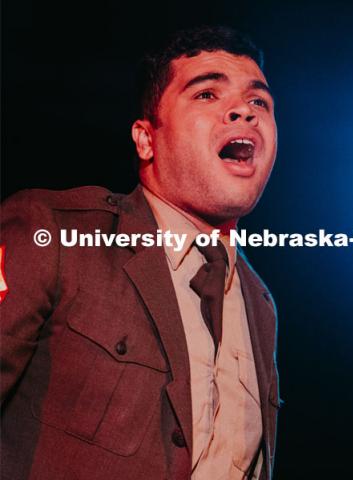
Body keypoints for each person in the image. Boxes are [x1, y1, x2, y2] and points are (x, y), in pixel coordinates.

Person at [0, 26, 280, 480]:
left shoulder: (261, 304)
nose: (242, 113)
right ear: (146, 139)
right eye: (207, 94)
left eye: (258, 102)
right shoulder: (52, 231)